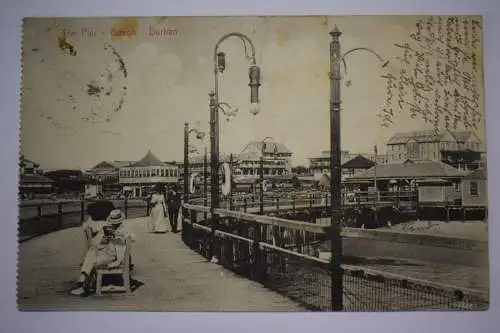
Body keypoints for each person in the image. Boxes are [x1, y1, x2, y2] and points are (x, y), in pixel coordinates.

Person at [71, 209, 135, 296]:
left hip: (115, 256)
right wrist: (103, 240)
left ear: (120, 221)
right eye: (113, 222)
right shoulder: (107, 227)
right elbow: (95, 243)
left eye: (116, 223)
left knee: (92, 261)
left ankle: (83, 285)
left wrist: (118, 238)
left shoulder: (125, 229)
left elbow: (132, 238)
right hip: (106, 253)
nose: (114, 224)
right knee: (92, 251)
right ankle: (83, 282)